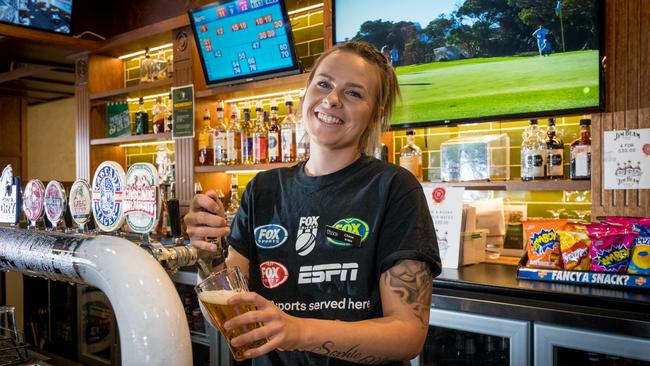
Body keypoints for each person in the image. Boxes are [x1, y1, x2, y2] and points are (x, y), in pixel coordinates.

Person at [184, 41, 441, 365]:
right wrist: (208, 253)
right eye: (324, 84)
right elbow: (230, 317)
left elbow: (407, 335)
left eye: (354, 93)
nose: (332, 99)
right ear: (306, 93)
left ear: (375, 113)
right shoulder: (262, 189)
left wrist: (298, 331)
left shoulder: (394, 188)